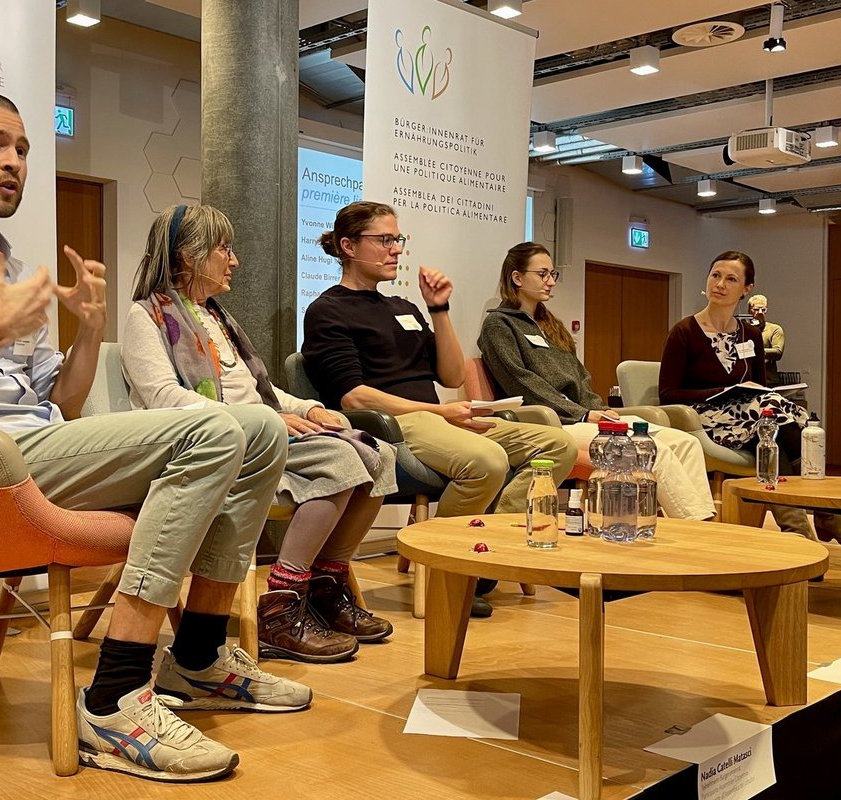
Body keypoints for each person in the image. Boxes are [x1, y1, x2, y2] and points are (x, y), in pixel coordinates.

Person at [0, 91, 310, 784]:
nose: (14, 161)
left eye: (22, 148)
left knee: (260, 427)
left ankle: (198, 654)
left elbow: (62, 401)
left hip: (31, 450)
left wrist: (86, 329)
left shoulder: (11, 270)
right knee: (208, 426)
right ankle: (115, 695)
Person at [123, 202, 396, 664]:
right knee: (342, 461)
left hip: (259, 433)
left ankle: (325, 589)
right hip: (213, 446)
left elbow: (261, 390)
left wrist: (309, 407)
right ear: (189, 256)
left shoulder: (216, 317)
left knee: (379, 452)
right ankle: (282, 604)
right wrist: (262, 420)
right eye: (224, 249)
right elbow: (164, 399)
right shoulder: (145, 317)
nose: (234, 260)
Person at [301, 201, 578, 616]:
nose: (395, 249)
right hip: (393, 425)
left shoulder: (404, 308)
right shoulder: (328, 310)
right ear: (348, 246)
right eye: (384, 240)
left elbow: (450, 376)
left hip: (436, 418)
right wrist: (439, 413)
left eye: (398, 239)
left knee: (558, 445)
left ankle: (487, 552)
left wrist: (439, 309)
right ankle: (448, 570)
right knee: (486, 460)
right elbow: (354, 398)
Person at [478, 242, 716, 522]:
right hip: (552, 423)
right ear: (517, 278)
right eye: (542, 274)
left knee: (686, 442)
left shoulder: (551, 325)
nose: (550, 282)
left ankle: (698, 527)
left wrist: (597, 410)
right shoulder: (499, 326)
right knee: (652, 450)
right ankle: (697, 527)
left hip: (582, 418)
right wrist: (583, 414)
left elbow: (580, 376)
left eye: (553, 274)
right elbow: (522, 383)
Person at [658, 251, 841, 546]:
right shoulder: (684, 332)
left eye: (731, 279)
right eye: (715, 275)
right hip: (702, 419)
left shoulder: (750, 334)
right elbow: (668, 394)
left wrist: (752, 396)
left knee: (772, 418)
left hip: (751, 418)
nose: (720, 284)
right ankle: (824, 515)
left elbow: (760, 387)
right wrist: (722, 394)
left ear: (746, 289)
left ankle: (801, 527)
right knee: (768, 417)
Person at [747, 294, 785, 386]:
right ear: (749, 311)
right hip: (747, 381)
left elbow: (778, 352)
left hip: (768, 381)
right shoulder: (743, 329)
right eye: (756, 309)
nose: (760, 312)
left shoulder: (774, 329)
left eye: (763, 309)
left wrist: (754, 351)